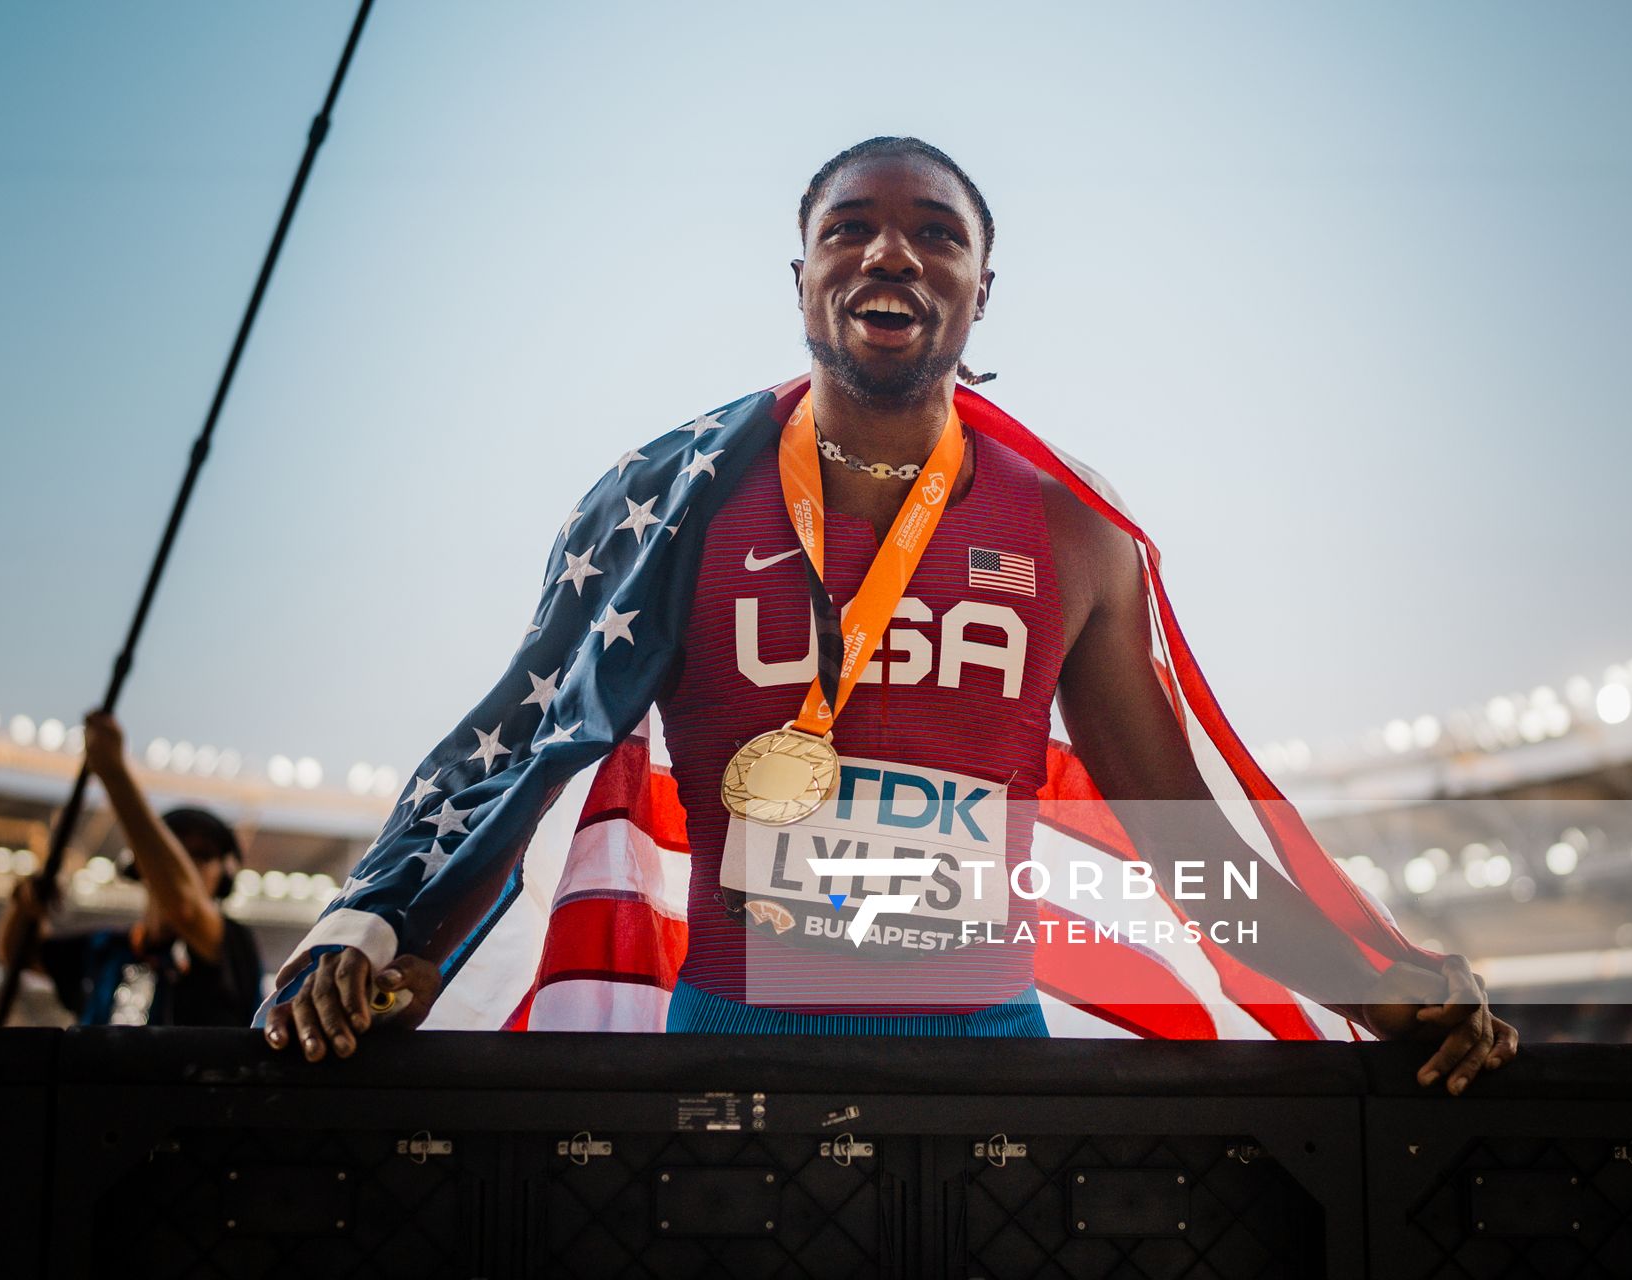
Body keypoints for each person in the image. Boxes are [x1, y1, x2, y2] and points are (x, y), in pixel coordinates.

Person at [261, 137, 1518, 1092]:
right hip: (724, 1055)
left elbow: (1178, 839)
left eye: (935, 233)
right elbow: (523, 746)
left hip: (989, 1063)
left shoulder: (1073, 532)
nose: (891, 253)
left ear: (981, 289)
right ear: (802, 276)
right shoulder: (675, 504)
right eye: (850, 228)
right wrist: (385, 929)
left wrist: (1372, 983)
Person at [0, 710, 264, 1026]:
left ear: (225, 876)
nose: (187, 865)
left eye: (203, 855)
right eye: (175, 852)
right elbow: (18, 952)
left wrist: (114, 773)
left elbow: (185, 907)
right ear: (144, 864)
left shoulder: (233, 946)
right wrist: (24, 905)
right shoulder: (104, 949)